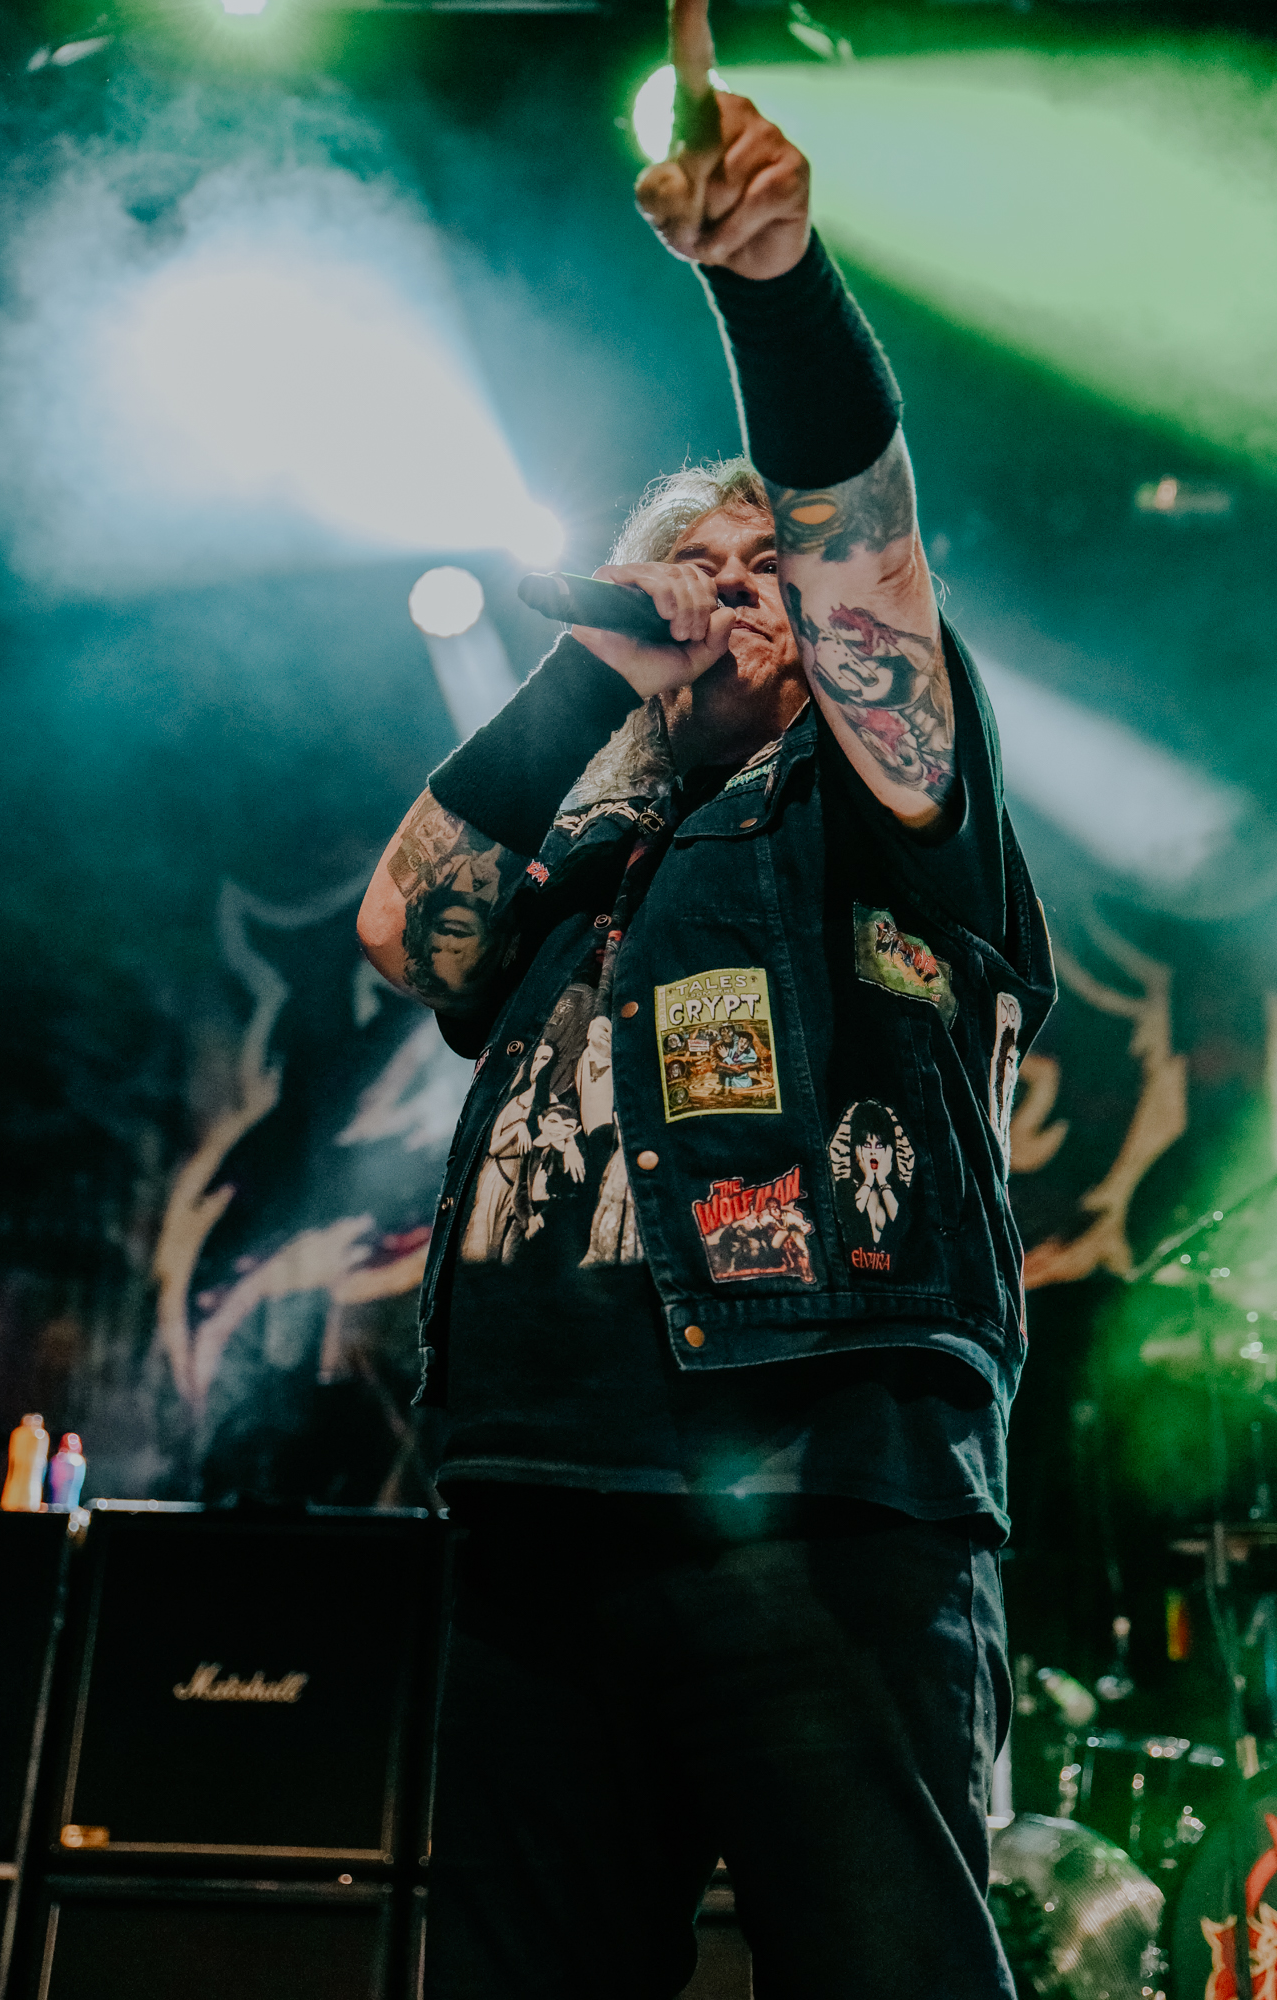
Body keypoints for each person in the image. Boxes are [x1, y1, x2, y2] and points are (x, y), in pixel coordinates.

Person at [357, 6, 1055, 1992]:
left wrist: (772, 286)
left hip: (823, 1492)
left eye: (768, 562)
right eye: (694, 564)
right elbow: (405, 926)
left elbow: (864, 549)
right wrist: (597, 663)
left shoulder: (890, 805)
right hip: (538, 1501)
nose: (739, 582)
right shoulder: (583, 844)